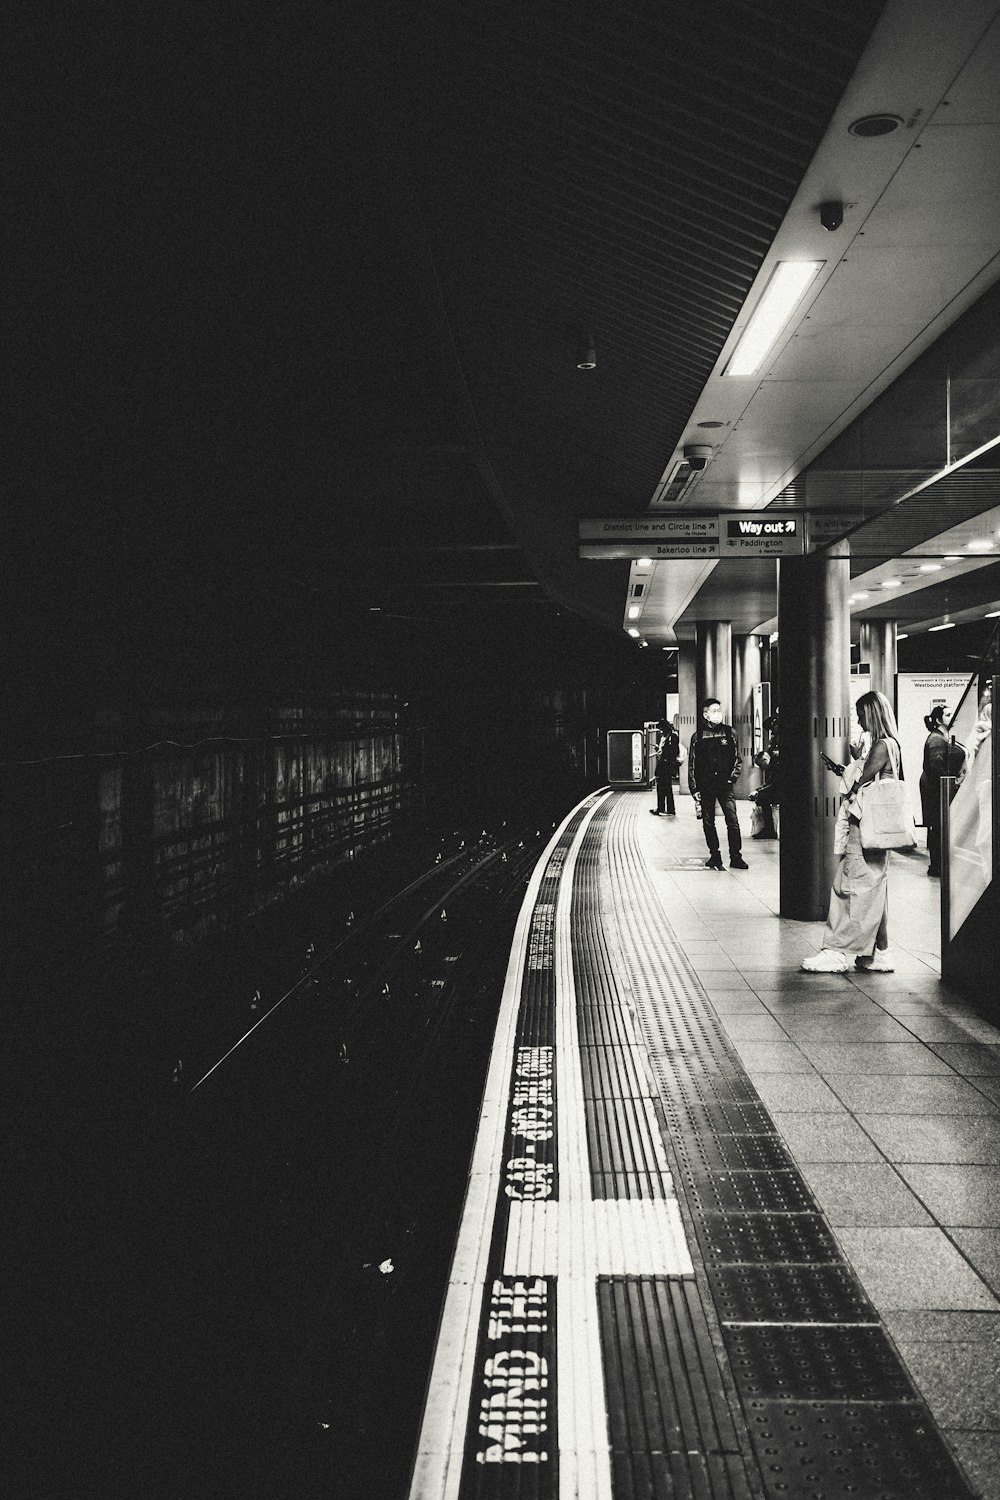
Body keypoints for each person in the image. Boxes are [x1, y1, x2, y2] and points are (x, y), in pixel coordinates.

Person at [801, 689, 903, 974]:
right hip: (880, 829)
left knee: (848, 886)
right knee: (875, 889)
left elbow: (858, 784)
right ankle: (879, 952)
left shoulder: (882, 745)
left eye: (861, 715)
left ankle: (834, 951)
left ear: (871, 713)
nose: (859, 722)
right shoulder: (893, 745)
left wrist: (855, 764)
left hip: (865, 827)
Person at [688, 697, 748, 870]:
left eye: (719, 710)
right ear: (705, 714)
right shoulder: (698, 736)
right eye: (714, 711)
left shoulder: (730, 733)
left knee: (732, 820)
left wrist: (732, 777)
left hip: (725, 785)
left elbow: (738, 758)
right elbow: (692, 764)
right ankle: (715, 855)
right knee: (708, 821)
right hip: (705, 785)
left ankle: (736, 856)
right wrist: (694, 788)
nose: (718, 714)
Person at [919, 705, 951, 877]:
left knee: (935, 826)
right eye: (948, 715)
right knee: (937, 825)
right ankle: (937, 864)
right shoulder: (937, 739)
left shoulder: (937, 737)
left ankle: (936, 863)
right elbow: (937, 766)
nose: (951, 717)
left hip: (933, 786)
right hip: (935, 787)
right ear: (939, 720)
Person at [750, 708, 779, 839]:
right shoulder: (772, 752)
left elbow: (775, 782)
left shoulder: (776, 756)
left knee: (763, 797)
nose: (772, 734)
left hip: (784, 787)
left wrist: (759, 791)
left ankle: (769, 830)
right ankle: (767, 829)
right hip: (778, 785)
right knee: (762, 796)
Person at [649, 718, 680, 816]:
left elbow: (674, 751)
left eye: (661, 729)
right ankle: (663, 808)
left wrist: (664, 753)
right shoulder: (665, 738)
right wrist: (659, 749)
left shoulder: (673, 737)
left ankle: (666, 808)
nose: (661, 731)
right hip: (663, 765)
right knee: (662, 787)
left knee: (666, 787)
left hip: (666, 766)